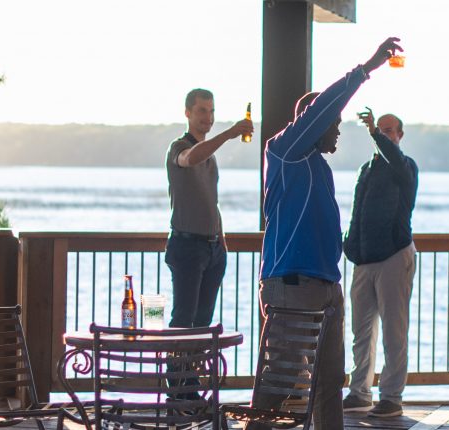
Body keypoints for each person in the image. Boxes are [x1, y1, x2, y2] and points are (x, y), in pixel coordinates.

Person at [253, 37, 402, 430]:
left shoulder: (320, 167)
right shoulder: (285, 152)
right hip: (292, 287)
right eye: (332, 125)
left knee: (328, 387)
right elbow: (325, 106)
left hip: (326, 288)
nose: (337, 131)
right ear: (312, 125)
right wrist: (368, 66)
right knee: (278, 388)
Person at [341, 110, 418, 418]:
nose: (384, 134)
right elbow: (357, 211)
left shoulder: (405, 166)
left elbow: (394, 160)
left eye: (389, 131)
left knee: (393, 331)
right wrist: (349, 244)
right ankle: (359, 391)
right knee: (361, 331)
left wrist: (373, 131)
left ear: (399, 136)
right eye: (380, 130)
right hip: (363, 260)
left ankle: (392, 396)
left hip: (393, 256)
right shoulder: (366, 169)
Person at [166, 89, 252, 331]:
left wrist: (221, 245)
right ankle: (177, 370)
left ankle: (196, 369)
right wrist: (229, 133)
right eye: (202, 111)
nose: (208, 117)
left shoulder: (211, 157)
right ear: (188, 113)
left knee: (203, 324)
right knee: (183, 321)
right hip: (187, 246)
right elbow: (190, 158)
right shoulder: (178, 146)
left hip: (212, 249)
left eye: (211, 111)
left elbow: (211, 202)